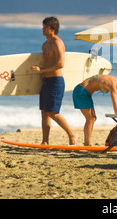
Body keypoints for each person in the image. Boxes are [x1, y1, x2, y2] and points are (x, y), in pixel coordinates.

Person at [31, 17, 77, 146]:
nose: (42, 29)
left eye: (45, 27)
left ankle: (72, 134)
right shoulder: (45, 44)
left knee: (53, 112)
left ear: (52, 28)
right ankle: (45, 141)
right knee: (44, 112)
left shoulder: (58, 42)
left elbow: (60, 64)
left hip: (56, 81)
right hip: (46, 81)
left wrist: (41, 70)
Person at [72, 75, 117, 146]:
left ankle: (87, 143)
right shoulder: (112, 84)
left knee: (92, 118)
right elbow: (115, 105)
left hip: (86, 93)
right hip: (81, 92)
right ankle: (87, 144)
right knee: (91, 118)